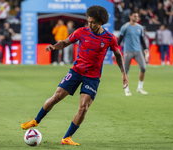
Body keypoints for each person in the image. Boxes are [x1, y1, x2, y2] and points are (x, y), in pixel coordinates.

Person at [21, 5, 128, 146]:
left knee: (83, 108)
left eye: (93, 22)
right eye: (89, 21)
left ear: (101, 22)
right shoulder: (81, 32)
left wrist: (123, 73)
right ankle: (36, 120)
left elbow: (118, 55)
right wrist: (54, 46)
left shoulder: (109, 38)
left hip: (92, 78)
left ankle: (67, 137)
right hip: (76, 72)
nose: (90, 24)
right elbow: (65, 42)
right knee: (56, 97)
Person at [117, 10, 149, 96]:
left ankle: (140, 87)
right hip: (128, 51)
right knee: (126, 70)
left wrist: (146, 51)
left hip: (138, 51)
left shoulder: (140, 27)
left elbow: (142, 40)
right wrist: (115, 51)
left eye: (137, 16)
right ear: (130, 16)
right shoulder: (125, 27)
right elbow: (119, 40)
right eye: (135, 16)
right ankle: (126, 89)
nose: (137, 18)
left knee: (143, 67)